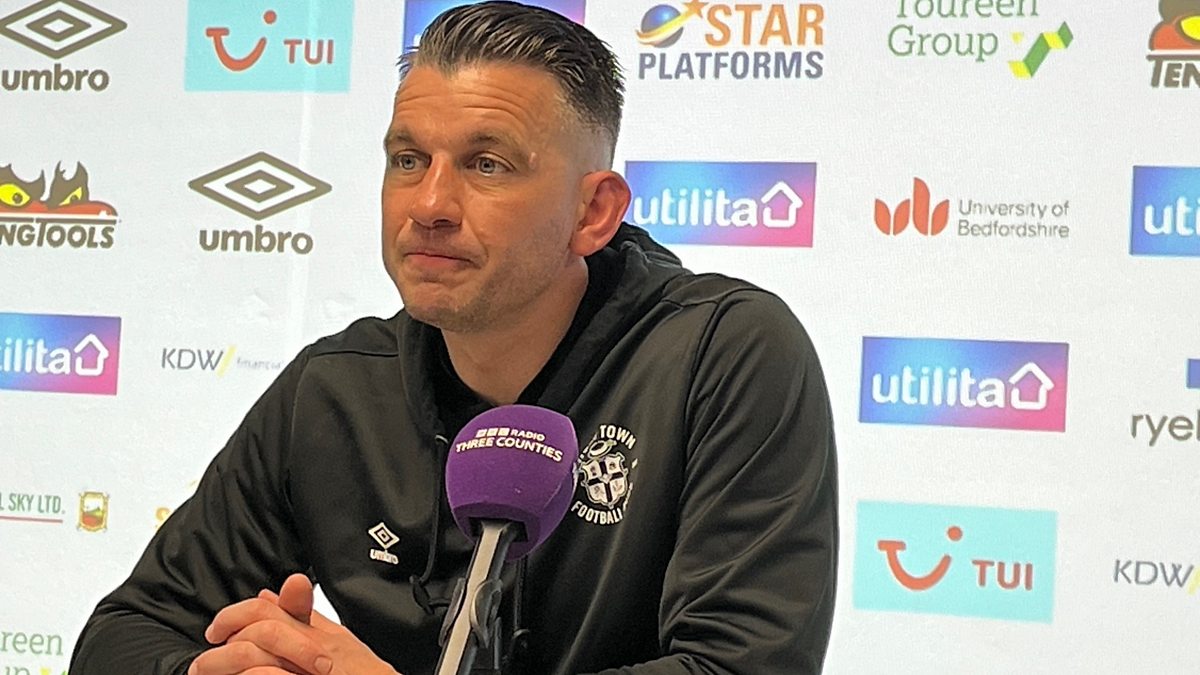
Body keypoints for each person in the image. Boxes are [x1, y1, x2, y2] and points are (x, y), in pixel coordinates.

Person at [69, 2, 838, 673]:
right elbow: (126, 632)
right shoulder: (335, 388)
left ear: (593, 212)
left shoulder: (723, 354)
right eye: (409, 159)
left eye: (486, 164)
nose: (430, 203)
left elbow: (740, 665)